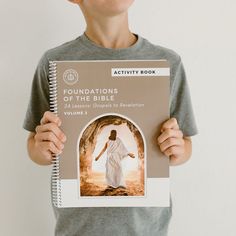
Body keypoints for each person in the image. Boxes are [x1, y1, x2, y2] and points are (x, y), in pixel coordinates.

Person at [23, 0, 198, 235]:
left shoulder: (167, 62)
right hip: (78, 228)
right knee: (110, 173)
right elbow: (36, 147)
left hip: (146, 228)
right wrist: (42, 147)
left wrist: (177, 149)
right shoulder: (55, 63)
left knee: (118, 175)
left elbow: (184, 146)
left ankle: (118, 186)